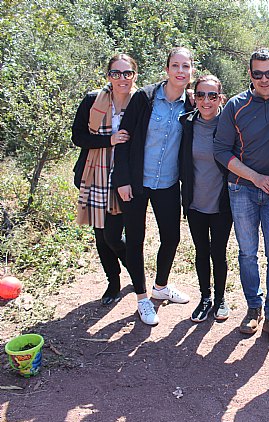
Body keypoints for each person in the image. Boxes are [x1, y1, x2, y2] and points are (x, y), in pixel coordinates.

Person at [213, 48, 269, 346]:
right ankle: (253, 308)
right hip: (242, 189)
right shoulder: (235, 105)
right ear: (250, 74)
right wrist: (254, 178)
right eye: (258, 73)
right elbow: (221, 151)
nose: (264, 79)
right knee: (247, 253)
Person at [113, 47, 195, 326]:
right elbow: (123, 140)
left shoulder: (192, 104)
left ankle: (161, 287)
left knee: (171, 237)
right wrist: (122, 180)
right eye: (176, 66)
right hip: (137, 183)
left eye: (186, 66)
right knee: (135, 240)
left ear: (191, 71)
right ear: (167, 69)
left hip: (169, 183)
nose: (180, 71)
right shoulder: (144, 98)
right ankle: (141, 298)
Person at [72, 53, 137, 306]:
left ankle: (135, 272)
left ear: (134, 75)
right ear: (108, 76)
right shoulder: (93, 100)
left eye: (127, 73)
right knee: (101, 236)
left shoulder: (140, 102)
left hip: (124, 179)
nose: (122, 78)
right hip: (94, 174)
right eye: (116, 73)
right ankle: (113, 282)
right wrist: (108, 140)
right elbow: (78, 137)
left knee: (113, 235)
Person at [180, 75, 233, 323]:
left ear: (220, 98)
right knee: (201, 252)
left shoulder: (229, 123)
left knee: (218, 252)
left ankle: (221, 299)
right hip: (194, 202)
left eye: (212, 95)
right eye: (201, 95)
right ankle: (205, 298)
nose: (206, 101)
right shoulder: (187, 124)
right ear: (194, 97)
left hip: (222, 203)